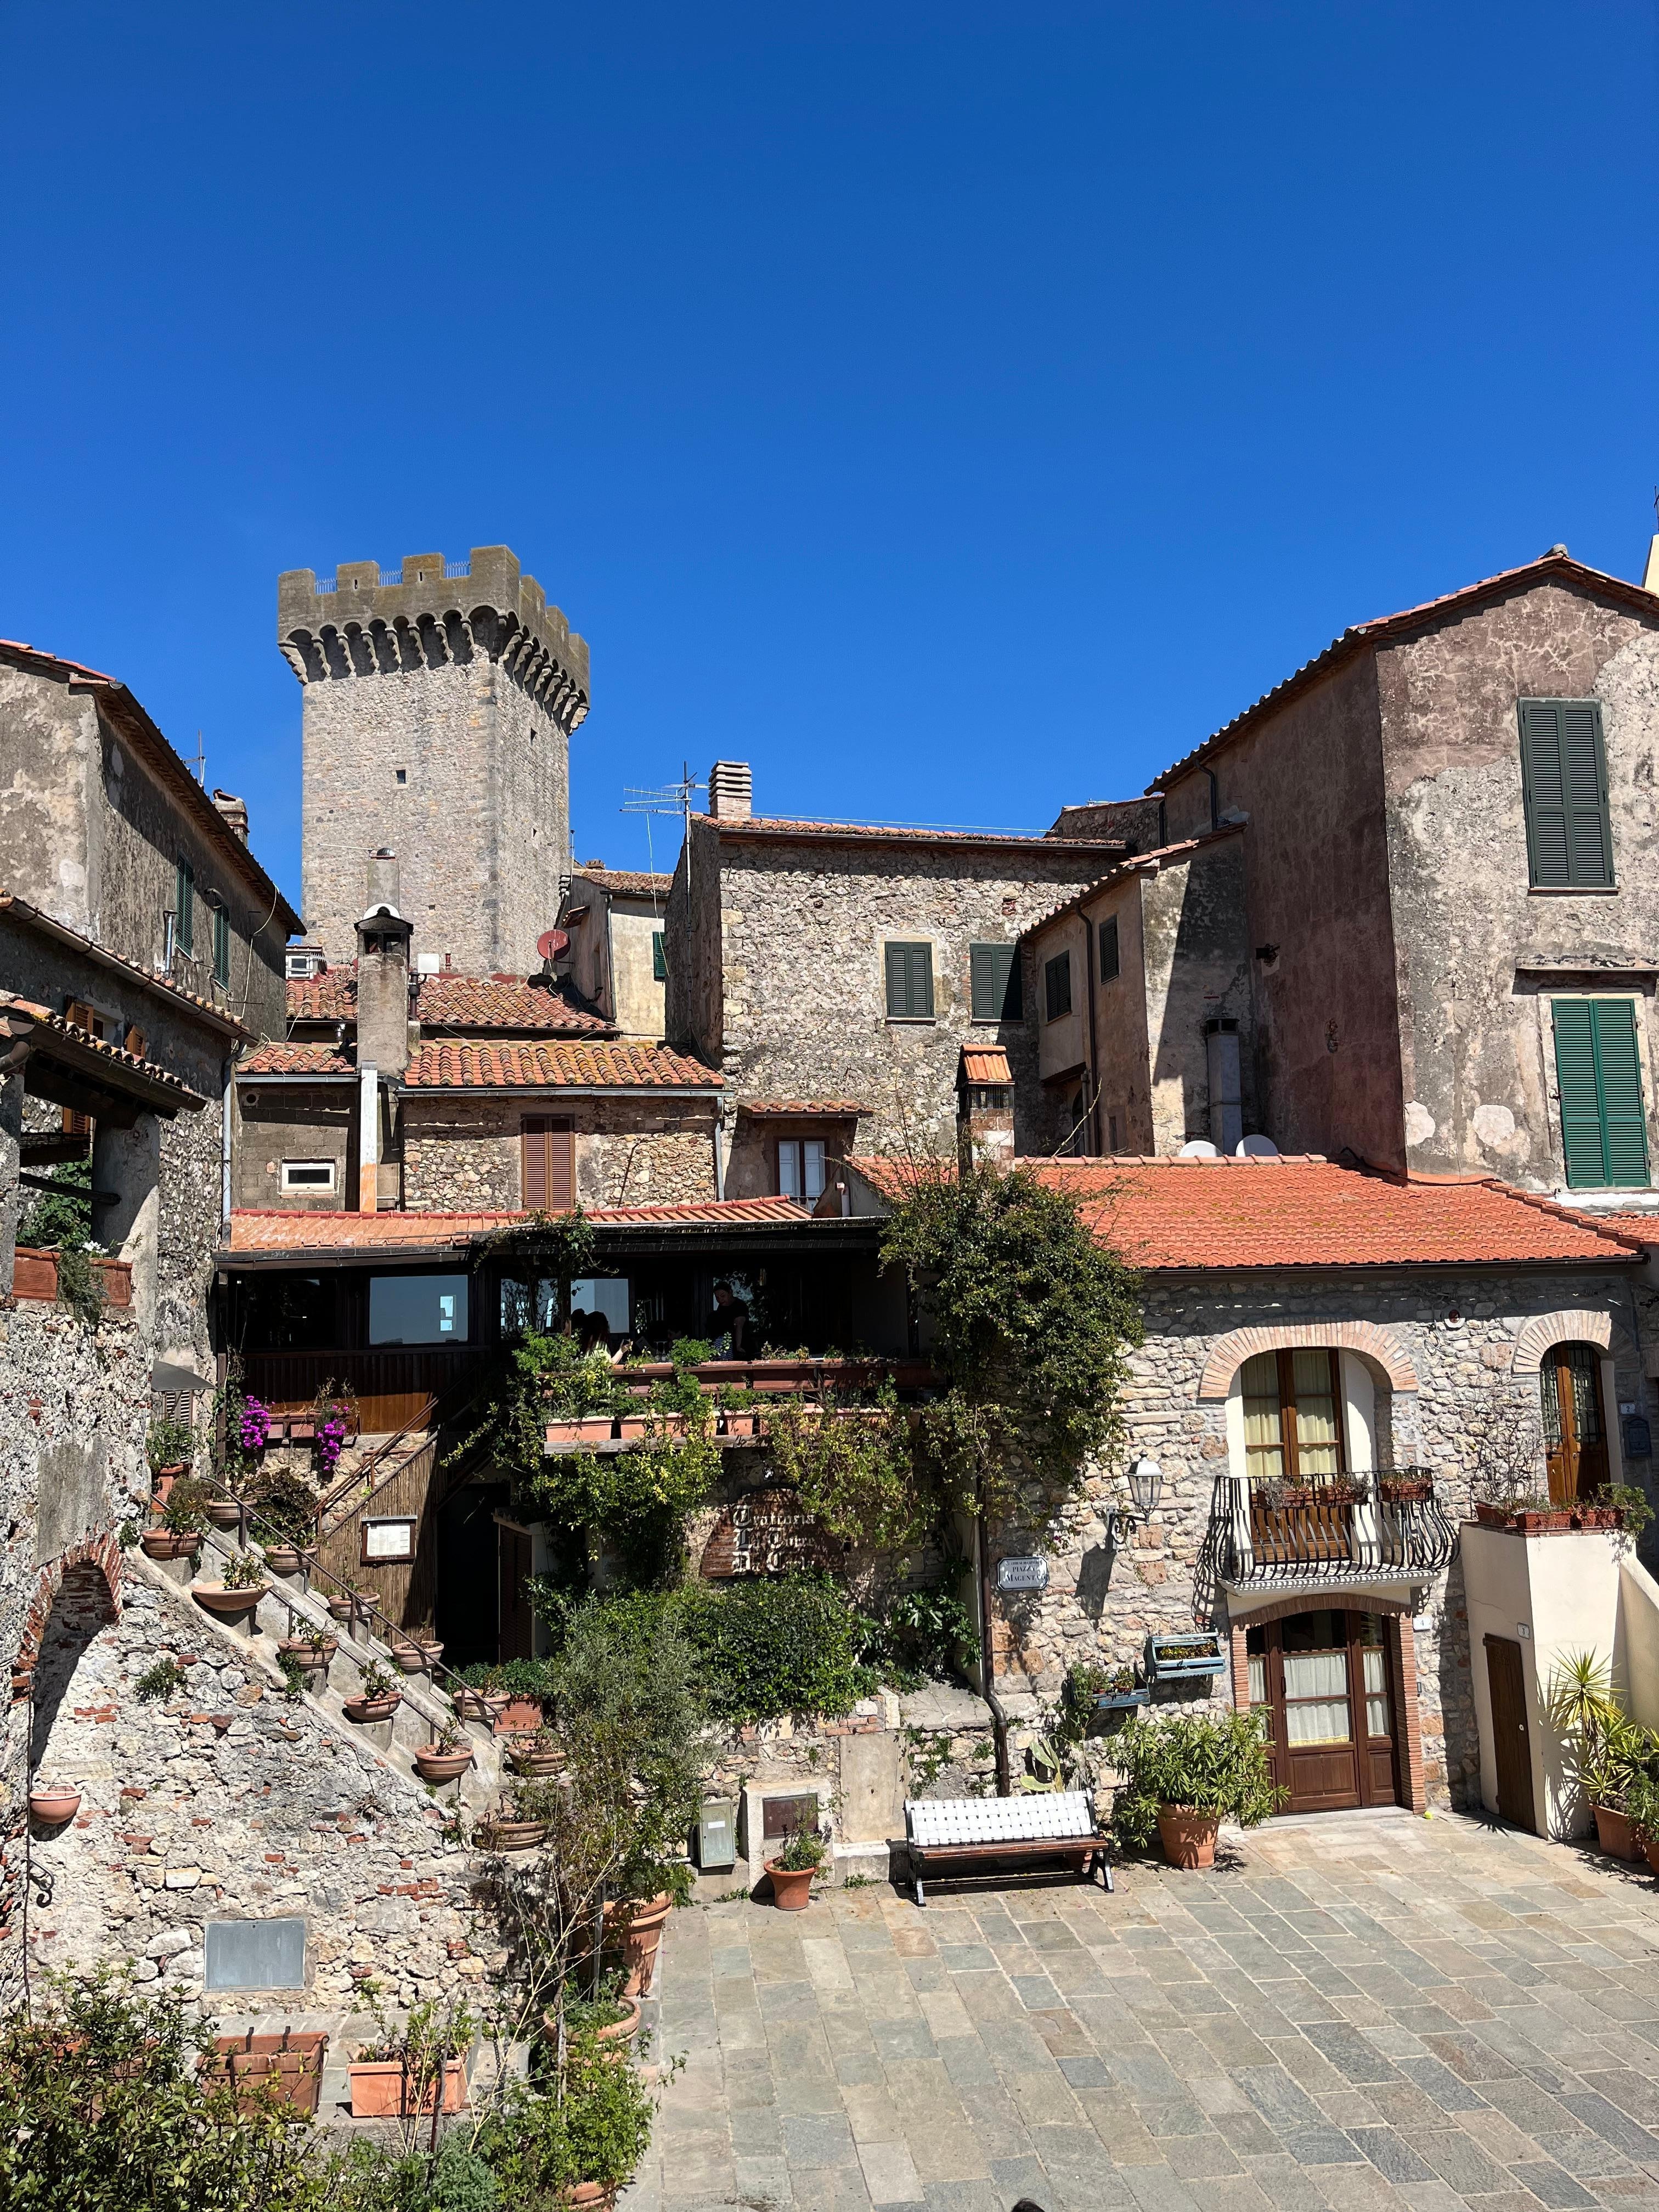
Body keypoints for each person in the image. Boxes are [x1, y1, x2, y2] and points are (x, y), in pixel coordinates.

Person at [710, 1280, 748, 1355]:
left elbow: (739, 1326)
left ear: (730, 1293)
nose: (720, 1300)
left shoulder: (740, 1305)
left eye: (723, 1296)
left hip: (741, 1346)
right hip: (726, 1347)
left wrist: (738, 1347)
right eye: (717, 1298)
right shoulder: (721, 1307)